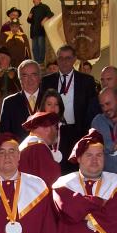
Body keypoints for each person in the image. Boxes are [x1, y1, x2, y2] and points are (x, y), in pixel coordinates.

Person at [40, 45, 97, 174]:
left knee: (75, 171)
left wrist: (87, 135)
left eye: (68, 58)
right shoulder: (46, 81)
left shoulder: (87, 81)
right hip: (53, 133)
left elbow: (91, 110)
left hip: (78, 132)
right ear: (57, 59)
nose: (64, 62)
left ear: (74, 59)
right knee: (55, 169)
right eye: (61, 58)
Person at [0, 59, 41, 140]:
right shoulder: (9, 103)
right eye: (25, 75)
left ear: (39, 77)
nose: (30, 79)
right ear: (19, 79)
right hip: (19, 150)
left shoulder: (48, 99)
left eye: (33, 75)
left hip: (45, 149)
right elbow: (4, 135)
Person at [18, 111, 61, 187]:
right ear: (47, 129)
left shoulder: (28, 145)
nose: (56, 131)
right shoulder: (38, 147)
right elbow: (50, 179)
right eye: (55, 127)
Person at [38, 88, 66, 163]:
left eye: (56, 104)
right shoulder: (37, 131)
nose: (53, 108)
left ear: (60, 107)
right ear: (44, 106)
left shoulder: (69, 130)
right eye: (49, 104)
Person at [26, 0, 53, 65]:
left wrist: (45, 19)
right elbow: (28, 21)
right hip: (34, 33)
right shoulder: (33, 9)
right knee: (34, 49)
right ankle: (36, 63)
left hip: (41, 32)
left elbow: (50, 14)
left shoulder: (44, 7)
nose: (33, 0)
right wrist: (29, 17)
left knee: (41, 48)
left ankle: (41, 63)